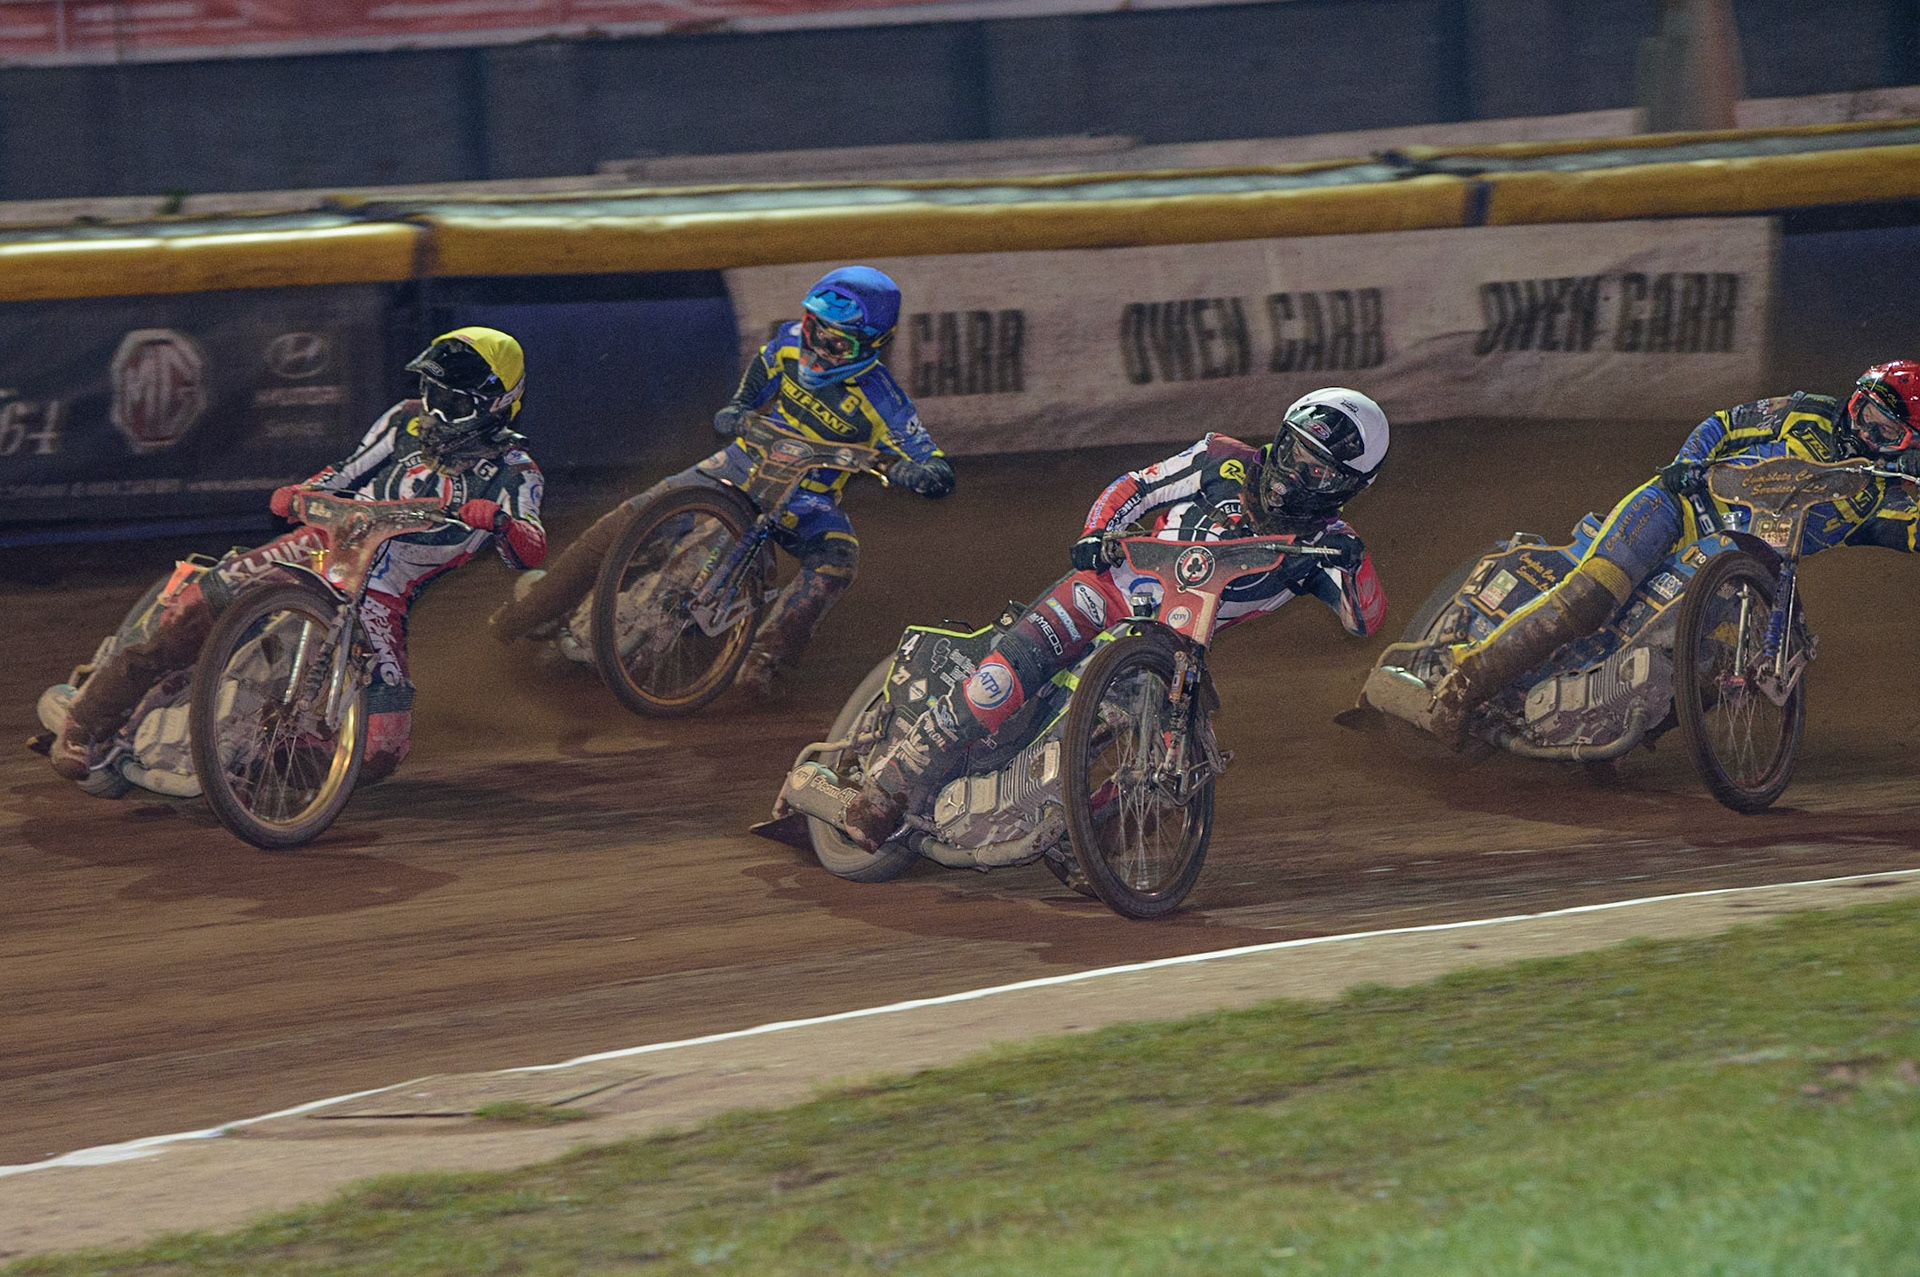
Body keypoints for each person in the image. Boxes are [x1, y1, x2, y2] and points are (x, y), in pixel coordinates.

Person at [840, 387, 1391, 852]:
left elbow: (1364, 621)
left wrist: (1356, 562)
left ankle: (1086, 847)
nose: (1294, 473)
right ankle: (890, 783)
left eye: (1318, 470)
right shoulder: (1222, 459)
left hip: (1171, 653)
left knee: (1175, 760)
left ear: (1347, 488)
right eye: (1295, 452)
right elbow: (1137, 486)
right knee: (997, 684)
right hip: (1106, 590)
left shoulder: (1328, 547)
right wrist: (1096, 531)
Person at [49, 326, 547, 786]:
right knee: (197, 608)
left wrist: (499, 521)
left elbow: (531, 548)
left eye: (452, 402)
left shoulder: (514, 471)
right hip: (329, 541)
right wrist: (304, 492)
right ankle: (89, 720)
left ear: (495, 405)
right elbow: (347, 470)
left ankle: (253, 767)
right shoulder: (403, 421)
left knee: (379, 755)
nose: (434, 410)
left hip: (383, 593)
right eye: (431, 394)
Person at [489, 265, 953, 698]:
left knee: (838, 560)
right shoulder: (787, 344)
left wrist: (918, 471)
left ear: (873, 345)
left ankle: (765, 656)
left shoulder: (885, 401)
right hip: (737, 464)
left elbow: (933, 464)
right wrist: (737, 411)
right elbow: (750, 390)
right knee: (622, 523)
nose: (816, 351)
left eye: (836, 346)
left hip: (805, 501)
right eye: (814, 331)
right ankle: (529, 612)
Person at [1426, 360, 1920, 747]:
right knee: (1588, 601)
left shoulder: (1885, 497)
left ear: (1910, 447)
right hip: (1675, 509)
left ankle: (1619, 735)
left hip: (1733, 570)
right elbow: (1724, 422)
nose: (1861, 431)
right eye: (1862, 411)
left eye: (1883, 432)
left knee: (1717, 671)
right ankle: (1465, 683)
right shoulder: (1807, 410)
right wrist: (1687, 465)